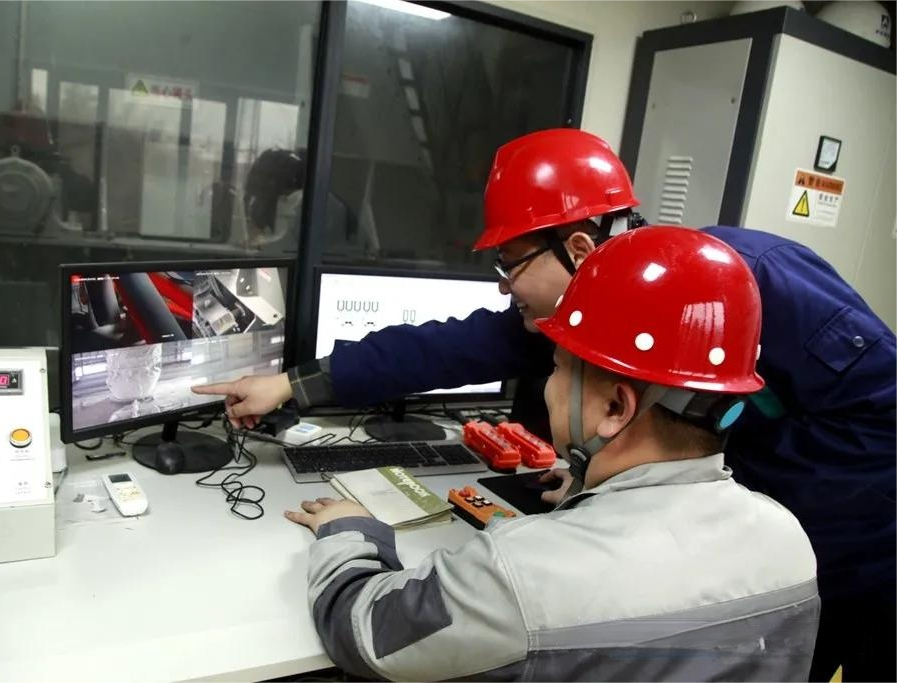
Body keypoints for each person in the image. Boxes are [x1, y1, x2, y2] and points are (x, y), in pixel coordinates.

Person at [195, 129, 897, 681]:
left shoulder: (743, 283)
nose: (503, 288)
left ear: (580, 247)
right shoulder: (597, 301)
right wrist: (292, 386)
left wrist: (674, 499)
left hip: (855, 555)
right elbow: (452, 347)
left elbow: (881, 420)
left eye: (510, 265)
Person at [283, 226, 820, 681]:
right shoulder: (789, 540)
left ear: (615, 407)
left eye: (559, 368)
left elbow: (367, 632)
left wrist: (351, 531)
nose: (548, 386)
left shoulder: (525, 572)